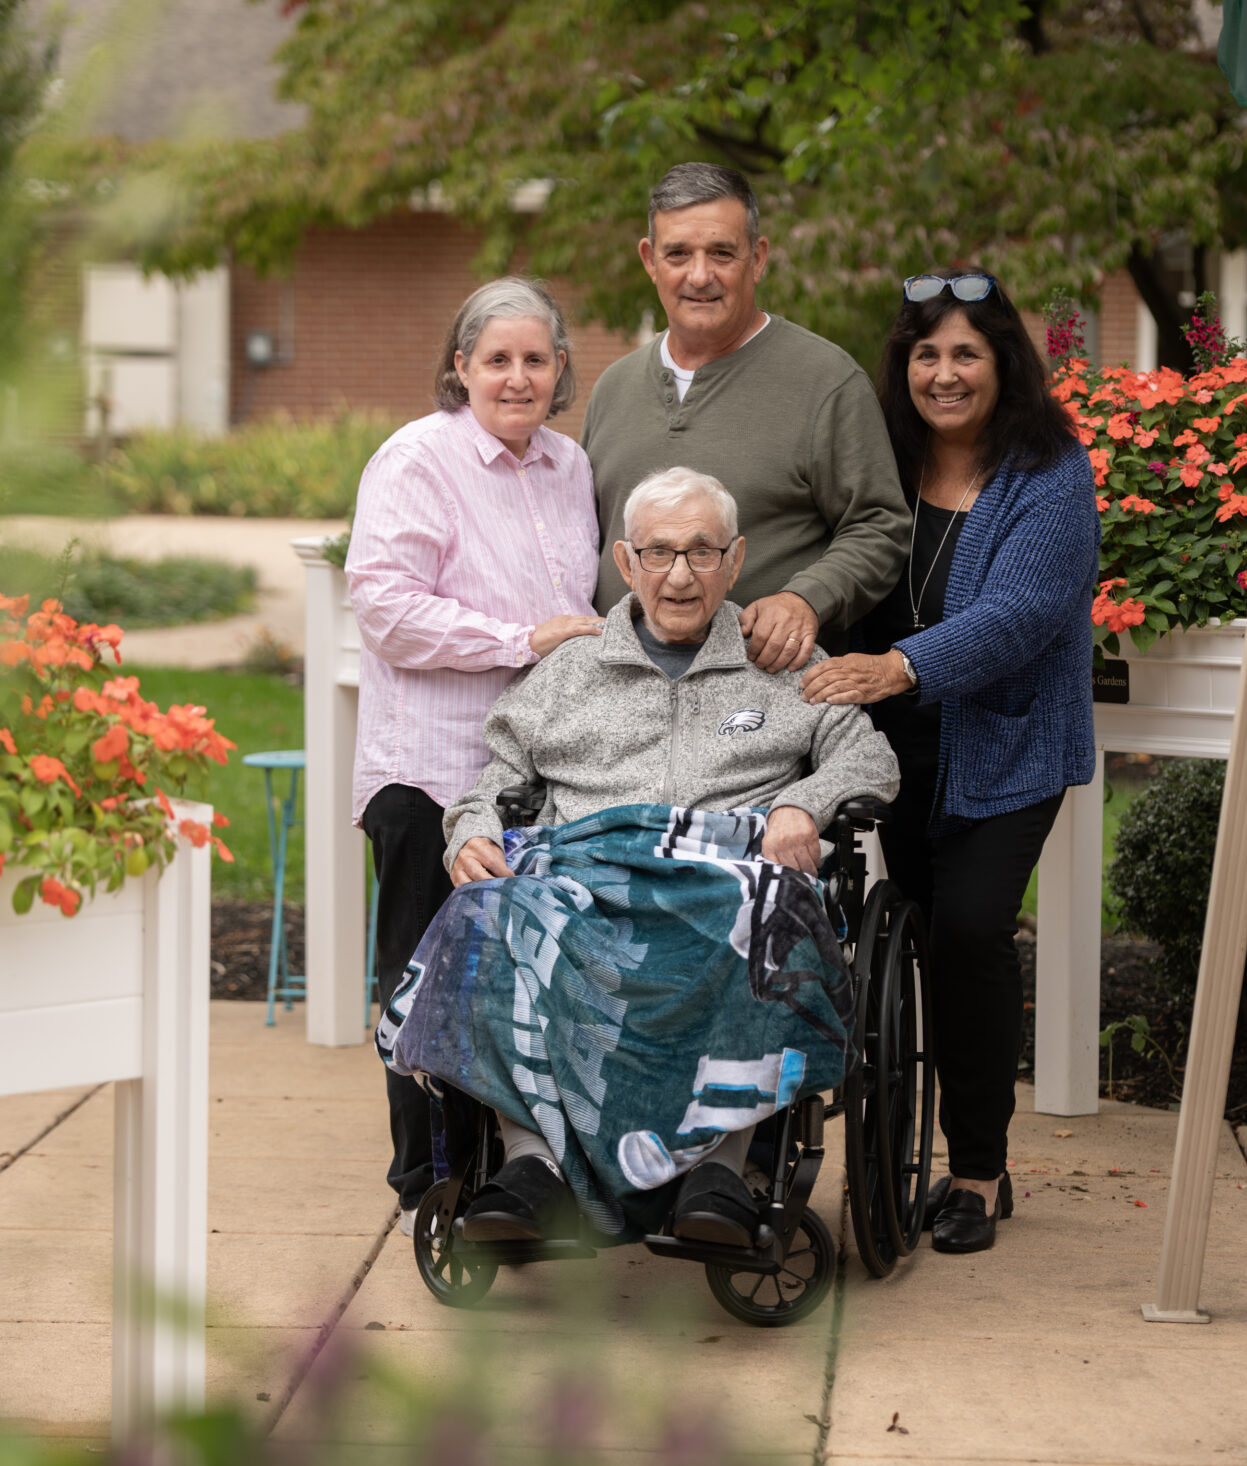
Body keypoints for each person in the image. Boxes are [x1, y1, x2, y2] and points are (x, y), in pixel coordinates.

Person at [377, 467, 899, 1247]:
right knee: (489, 914)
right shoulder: (567, 673)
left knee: (760, 912)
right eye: (658, 553)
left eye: (701, 552)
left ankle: (718, 1170)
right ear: (626, 563)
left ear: (735, 559)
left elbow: (870, 761)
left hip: (724, 872)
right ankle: (532, 1168)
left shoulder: (786, 661)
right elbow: (495, 780)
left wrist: (803, 804)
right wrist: (473, 830)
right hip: (586, 872)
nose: (681, 575)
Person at [802, 269, 1098, 1254]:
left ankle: (977, 1172)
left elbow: (1016, 615)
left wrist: (896, 666)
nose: (942, 372)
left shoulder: (1048, 471)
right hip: (896, 747)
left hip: (1007, 743)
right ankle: (940, 1144)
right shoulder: (881, 463)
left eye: (964, 351)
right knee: (924, 937)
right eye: (925, 353)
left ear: (1000, 360)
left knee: (969, 933)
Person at [346, 277, 605, 1235]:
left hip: (532, 774)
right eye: (496, 358)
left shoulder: (570, 468)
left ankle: (512, 1172)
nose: (518, 376)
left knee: (513, 977)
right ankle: (430, 1178)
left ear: (560, 368)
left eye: (536, 359)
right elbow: (385, 607)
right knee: (427, 975)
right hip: (432, 767)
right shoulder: (417, 459)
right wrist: (520, 640)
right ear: (461, 367)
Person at [581, 162, 910, 673]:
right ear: (650, 261)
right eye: (678, 254)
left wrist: (806, 599)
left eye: (721, 253)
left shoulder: (825, 381)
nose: (699, 275)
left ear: (757, 259)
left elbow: (881, 526)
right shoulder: (613, 388)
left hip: (767, 707)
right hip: (621, 708)